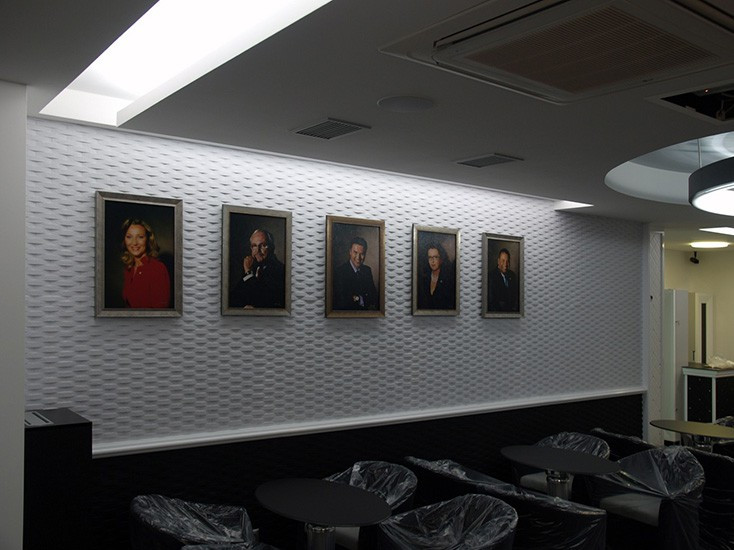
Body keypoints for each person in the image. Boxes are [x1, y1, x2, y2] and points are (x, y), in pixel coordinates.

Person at [120, 218, 171, 308]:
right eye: (129, 237)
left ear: (148, 239)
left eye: (140, 237)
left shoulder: (157, 268)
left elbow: (160, 311)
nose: (134, 242)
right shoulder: (129, 269)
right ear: (124, 240)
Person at [230, 229, 285, 308]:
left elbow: (261, 299)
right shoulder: (253, 268)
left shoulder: (281, 270)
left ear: (272, 247)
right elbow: (233, 298)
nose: (257, 250)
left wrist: (248, 273)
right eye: (254, 246)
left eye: (263, 245)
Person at [332, 236, 378, 310]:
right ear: (350, 252)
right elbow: (342, 301)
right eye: (355, 252)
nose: (358, 257)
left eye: (362, 254)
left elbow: (374, 297)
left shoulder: (367, 270)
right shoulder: (340, 272)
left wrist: (356, 298)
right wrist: (362, 299)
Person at [417, 242, 456, 310]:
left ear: (441, 258)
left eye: (436, 257)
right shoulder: (424, 278)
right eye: (430, 257)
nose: (432, 261)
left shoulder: (448, 279)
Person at [488, 247, 518, 312]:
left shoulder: (513, 275)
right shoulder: (491, 277)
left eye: (507, 261)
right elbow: (492, 303)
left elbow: (516, 299)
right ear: (498, 261)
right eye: (503, 261)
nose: (505, 264)